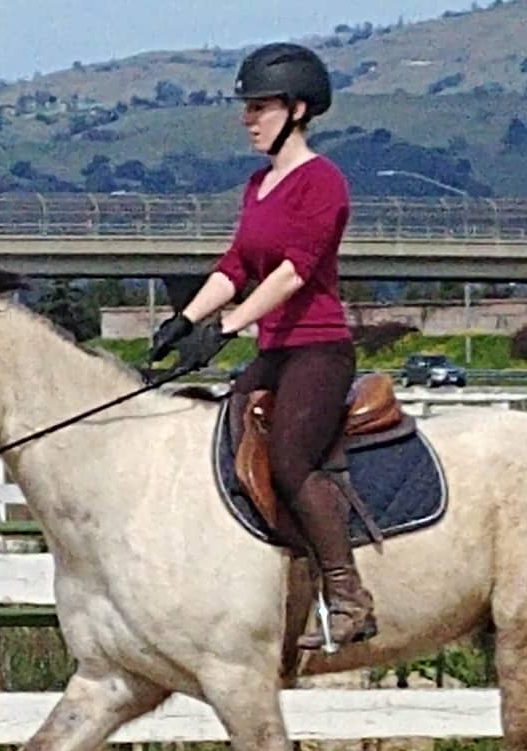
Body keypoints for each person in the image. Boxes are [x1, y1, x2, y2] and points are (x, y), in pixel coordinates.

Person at [148, 42, 375, 650]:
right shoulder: (258, 185)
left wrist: (224, 329)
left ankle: (347, 595)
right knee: (220, 440)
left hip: (319, 350)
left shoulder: (321, 182)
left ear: (298, 110)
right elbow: (238, 264)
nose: (248, 118)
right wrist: (184, 319)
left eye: (260, 107)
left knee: (291, 460)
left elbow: (293, 272)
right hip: (276, 350)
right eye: (247, 108)